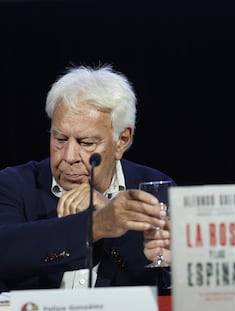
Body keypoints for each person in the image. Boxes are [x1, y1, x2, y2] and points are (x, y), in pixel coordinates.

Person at [0, 65, 173, 293]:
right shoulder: (15, 184)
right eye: (60, 139)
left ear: (122, 140)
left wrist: (113, 215)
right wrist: (95, 224)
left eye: (86, 143)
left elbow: (167, 285)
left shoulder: (155, 190)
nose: (69, 157)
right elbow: (6, 251)